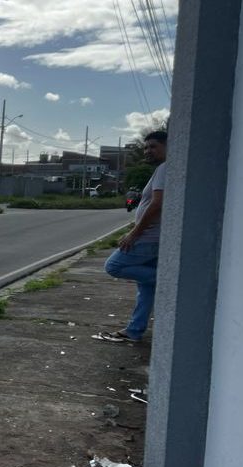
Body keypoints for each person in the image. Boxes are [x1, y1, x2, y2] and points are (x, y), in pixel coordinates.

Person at [97, 130, 167, 343]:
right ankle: (134, 330)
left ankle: (169, 280)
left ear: (169, 145)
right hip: (153, 238)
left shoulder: (165, 168)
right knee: (145, 288)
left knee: (114, 266)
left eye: (153, 146)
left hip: (147, 239)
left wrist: (134, 234)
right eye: (146, 147)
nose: (148, 151)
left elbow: (157, 204)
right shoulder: (162, 170)